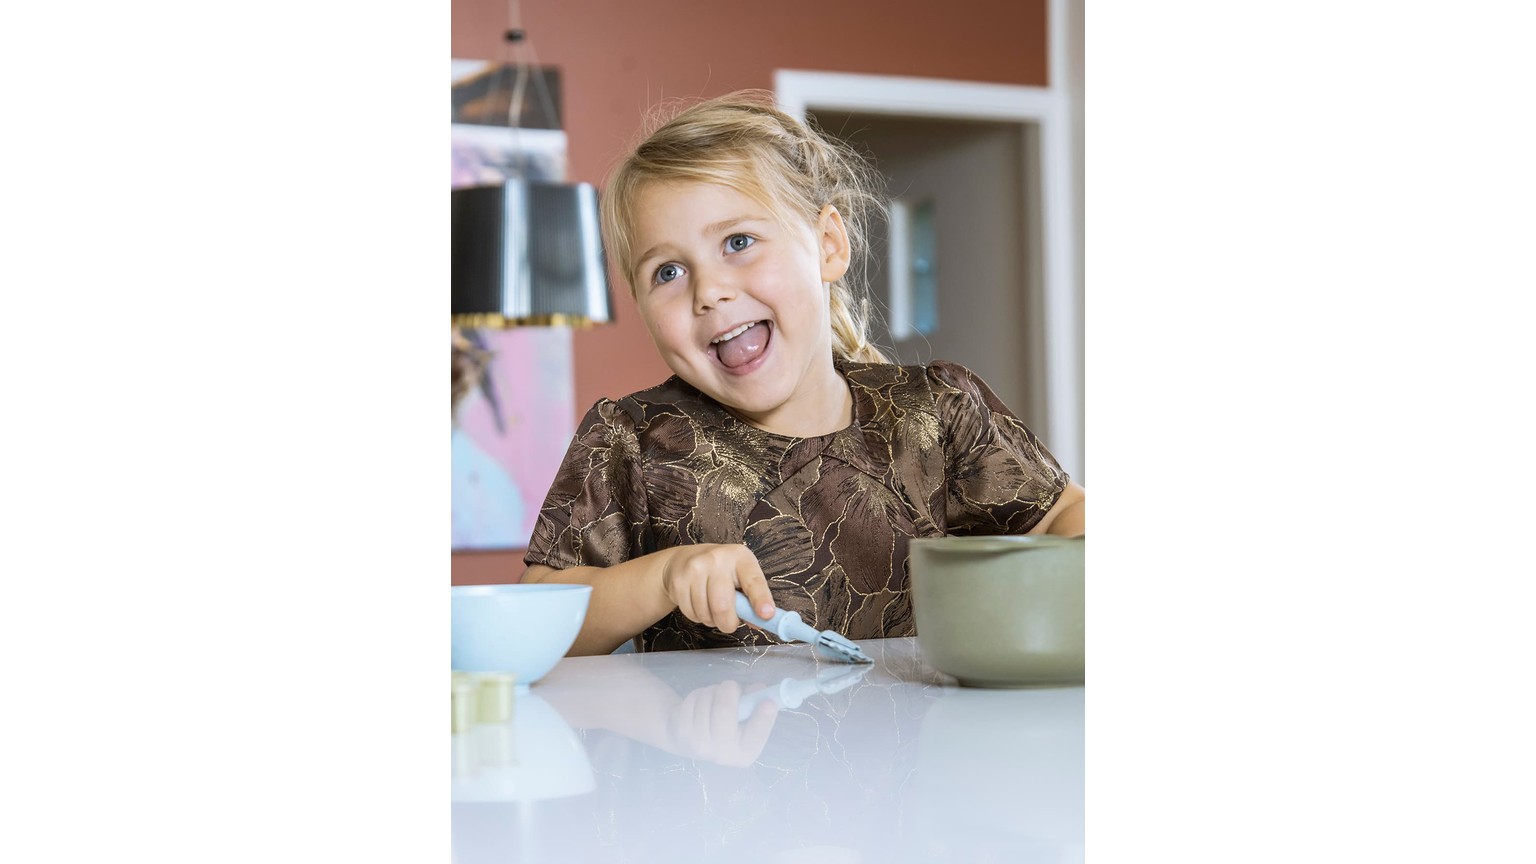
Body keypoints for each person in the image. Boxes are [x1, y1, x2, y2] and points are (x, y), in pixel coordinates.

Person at [523, 91, 1085, 655]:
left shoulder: (937, 414)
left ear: (828, 245)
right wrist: (663, 577)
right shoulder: (632, 441)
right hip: (708, 746)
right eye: (667, 271)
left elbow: (1066, 515)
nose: (709, 291)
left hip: (924, 743)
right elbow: (536, 613)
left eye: (738, 242)